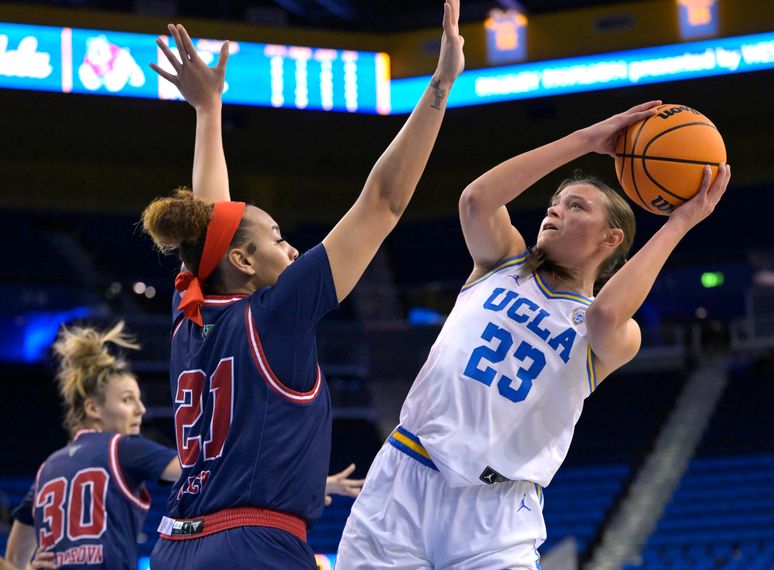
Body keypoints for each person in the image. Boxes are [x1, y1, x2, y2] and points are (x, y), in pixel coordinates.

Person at [335, 102, 732, 569]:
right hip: (405, 474)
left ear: (611, 239)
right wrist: (585, 139)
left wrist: (679, 223)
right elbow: (476, 200)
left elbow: (605, 313)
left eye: (576, 206)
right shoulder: (502, 263)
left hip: (498, 512)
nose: (554, 210)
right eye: (555, 203)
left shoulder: (612, 332)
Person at [141, 3, 463, 568]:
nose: (292, 249)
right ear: (242, 260)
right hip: (251, 543)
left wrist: (208, 111)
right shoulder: (273, 313)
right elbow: (383, 202)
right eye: (278, 237)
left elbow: (212, 218)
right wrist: (440, 85)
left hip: (174, 544)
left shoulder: (190, 310)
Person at [4, 323, 182, 570]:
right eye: (127, 399)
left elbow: (12, 560)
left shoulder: (47, 467)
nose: (140, 409)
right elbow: (192, 469)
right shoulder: (122, 448)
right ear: (93, 408)